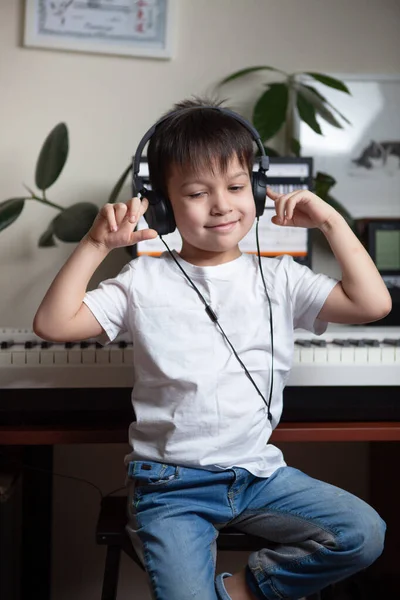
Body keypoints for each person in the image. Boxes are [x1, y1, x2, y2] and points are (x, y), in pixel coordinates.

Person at [33, 97, 391, 600]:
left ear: (260, 190)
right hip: (170, 486)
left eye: (238, 187)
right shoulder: (144, 279)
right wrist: (95, 246)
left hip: (259, 475)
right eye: (198, 193)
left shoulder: (282, 278)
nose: (222, 205)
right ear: (162, 205)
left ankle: (238, 593)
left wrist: (331, 222)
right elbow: (52, 324)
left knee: (363, 532)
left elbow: (372, 304)